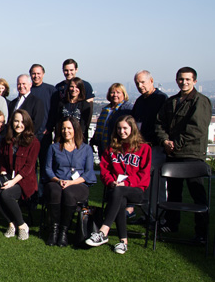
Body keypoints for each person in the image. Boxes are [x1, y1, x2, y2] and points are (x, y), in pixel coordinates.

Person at [154, 67, 212, 241]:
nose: (184, 82)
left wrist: (175, 144)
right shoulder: (172, 101)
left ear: (194, 81)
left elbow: (196, 128)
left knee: (197, 193)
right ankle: (172, 223)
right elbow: (159, 123)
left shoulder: (200, 101)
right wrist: (165, 141)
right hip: (173, 154)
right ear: (176, 80)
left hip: (192, 153)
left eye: (187, 79)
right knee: (174, 192)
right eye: (181, 79)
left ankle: (201, 232)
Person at [86, 115, 151, 254]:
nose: (122, 132)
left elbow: (144, 176)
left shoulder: (144, 148)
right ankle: (123, 242)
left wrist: (126, 183)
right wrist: (111, 182)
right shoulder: (112, 149)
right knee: (119, 196)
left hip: (136, 190)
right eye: (119, 128)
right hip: (115, 189)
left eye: (125, 128)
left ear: (132, 129)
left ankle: (103, 231)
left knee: (119, 193)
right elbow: (105, 171)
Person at [44, 117, 95, 247]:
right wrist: (58, 180)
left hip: (78, 184)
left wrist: (71, 183)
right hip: (57, 181)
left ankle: (63, 231)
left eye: (69, 128)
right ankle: (54, 231)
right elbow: (48, 169)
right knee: (55, 191)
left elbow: (88, 172)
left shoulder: (86, 149)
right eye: (63, 128)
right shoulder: (54, 147)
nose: (66, 131)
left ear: (75, 129)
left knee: (68, 193)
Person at [0, 109, 39, 240]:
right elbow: (3, 161)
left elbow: (28, 167)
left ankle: (22, 225)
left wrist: (12, 182)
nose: (19, 124)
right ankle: (11, 223)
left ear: (27, 123)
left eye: (22, 122)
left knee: (6, 194)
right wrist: (4, 175)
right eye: (16, 121)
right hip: (9, 178)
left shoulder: (34, 142)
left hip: (24, 182)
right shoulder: (8, 141)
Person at [131, 70, 168, 214]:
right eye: (137, 83)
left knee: (157, 184)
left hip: (155, 147)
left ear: (151, 81)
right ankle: (147, 214)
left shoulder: (161, 99)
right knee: (144, 182)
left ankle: (158, 215)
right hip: (141, 147)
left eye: (142, 82)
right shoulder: (140, 100)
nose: (140, 86)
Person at [91, 83, 133, 153]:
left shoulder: (127, 108)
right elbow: (100, 127)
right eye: (112, 92)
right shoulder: (105, 109)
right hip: (103, 147)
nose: (115, 95)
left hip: (118, 147)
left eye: (118, 92)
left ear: (123, 94)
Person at [28, 63, 57, 138]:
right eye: (34, 74)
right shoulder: (27, 90)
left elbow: (54, 111)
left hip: (45, 132)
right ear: (30, 75)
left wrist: (50, 127)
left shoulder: (51, 90)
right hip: (29, 132)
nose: (36, 76)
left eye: (38, 73)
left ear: (43, 74)